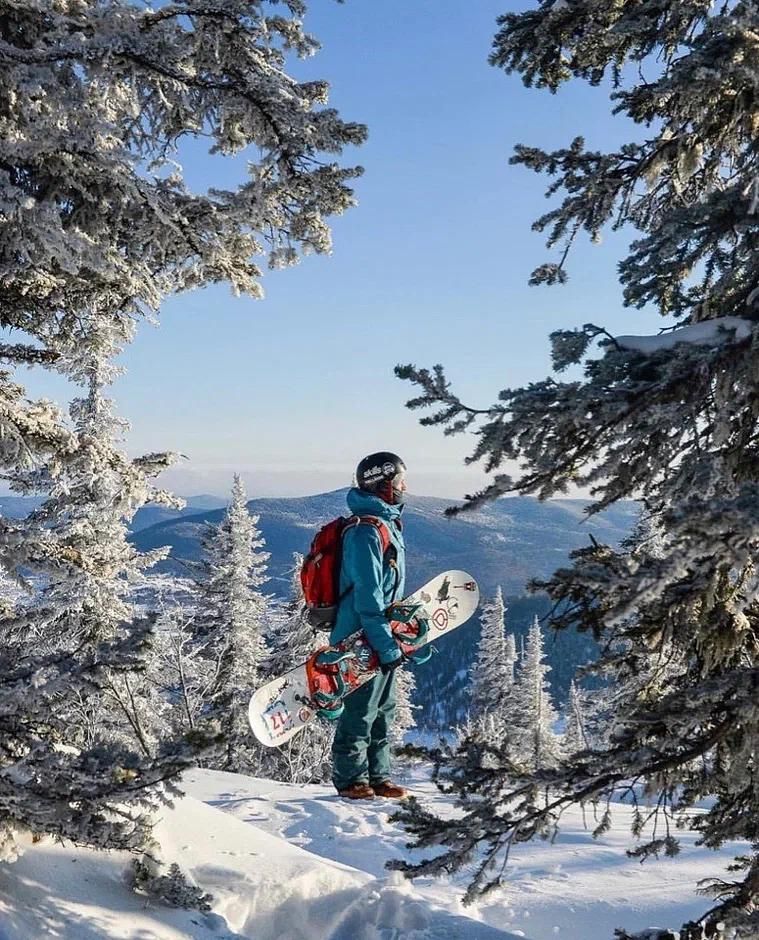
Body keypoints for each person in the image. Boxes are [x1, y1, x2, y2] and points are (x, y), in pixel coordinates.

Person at [330, 452, 410, 800]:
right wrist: (386, 645)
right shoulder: (364, 532)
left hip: (379, 635)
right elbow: (368, 597)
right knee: (360, 711)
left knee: (384, 709)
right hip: (359, 638)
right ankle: (351, 781)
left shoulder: (386, 523)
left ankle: (378, 776)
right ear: (386, 484)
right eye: (401, 481)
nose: (405, 488)